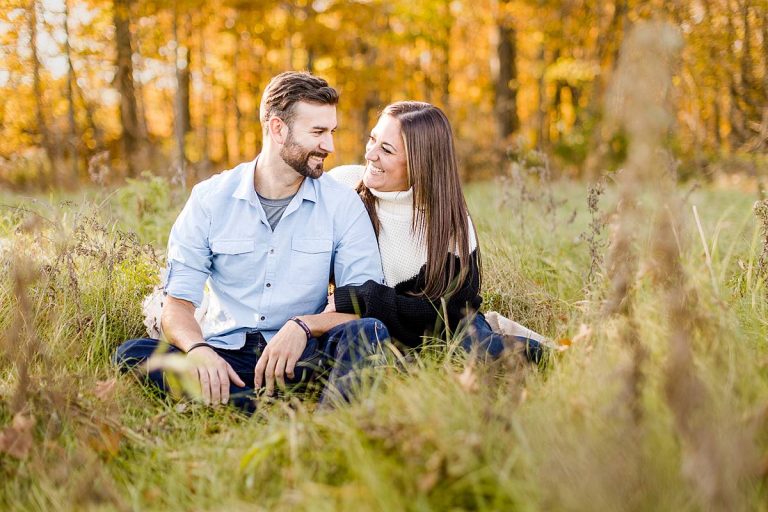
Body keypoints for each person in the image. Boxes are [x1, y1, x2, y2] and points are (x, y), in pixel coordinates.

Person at [114, 71, 391, 412]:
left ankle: (320, 421)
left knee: (370, 332)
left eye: (331, 132)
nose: (330, 146)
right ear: (278, 128)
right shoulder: (210, 199)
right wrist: (198, 350)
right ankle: (270, 403)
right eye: (318, 132)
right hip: (227, 360)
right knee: (132, 354)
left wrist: (304, 325)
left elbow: (362, 307)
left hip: (303, 356)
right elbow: (177, 306)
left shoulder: (342, 204)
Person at [327, 101, 546, 361]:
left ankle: (553, 357)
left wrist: (360, 296)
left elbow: (443, 312)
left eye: (386, 150)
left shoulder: (447, 220)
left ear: (420, 163)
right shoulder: (341, 185)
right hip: (377, 329)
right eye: (372, 139)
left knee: (478, 353)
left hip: (448, 325)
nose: (370, 154)